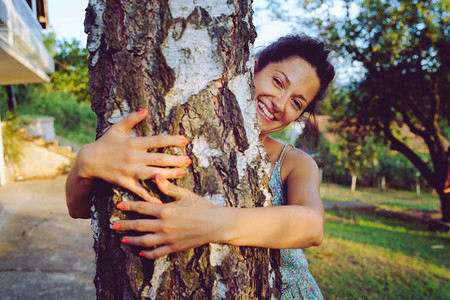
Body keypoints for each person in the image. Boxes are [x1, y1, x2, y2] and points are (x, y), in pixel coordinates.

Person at [66, 34, 335, 299]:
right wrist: (84, 164)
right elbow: (79, 210)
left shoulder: (294, 162)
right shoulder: (193, 134)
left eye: (296, 103)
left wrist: (211, 222)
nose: (280, 102)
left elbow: (312, 226)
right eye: (278, 81)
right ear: (252, 68)